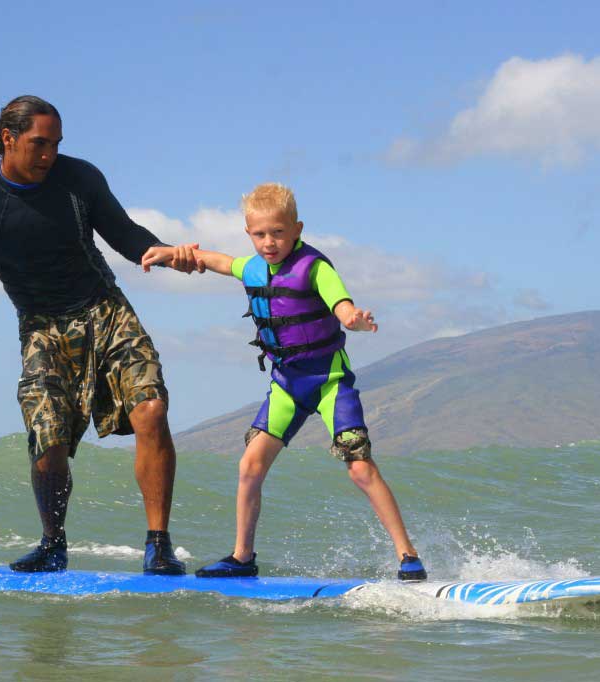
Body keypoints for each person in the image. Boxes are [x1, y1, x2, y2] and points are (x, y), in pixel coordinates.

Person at [0, 95, 201, 575]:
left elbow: (126, 234)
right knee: (47, 436)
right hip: (41, 326)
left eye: (55, 144)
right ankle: (53, 544)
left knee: (152, 409)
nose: (49, 155)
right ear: (8, 139)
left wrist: (164, 252)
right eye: (38, 143)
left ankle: (159, 545)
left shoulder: (79, 179)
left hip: (105, 307)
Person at [142, 182, 427, 581]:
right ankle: (242, 558)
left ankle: (408, 555)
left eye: (278, 232)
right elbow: (217, 261)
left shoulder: (315, 267)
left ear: (297, 228)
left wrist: (352, 320)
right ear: (248, 234)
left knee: (360, 467)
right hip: (287, 385)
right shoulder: (253, 267)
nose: (269, 242)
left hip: (329, 381)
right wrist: (173, 252)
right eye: (260, 234)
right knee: (249, 466)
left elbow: (341, 303)